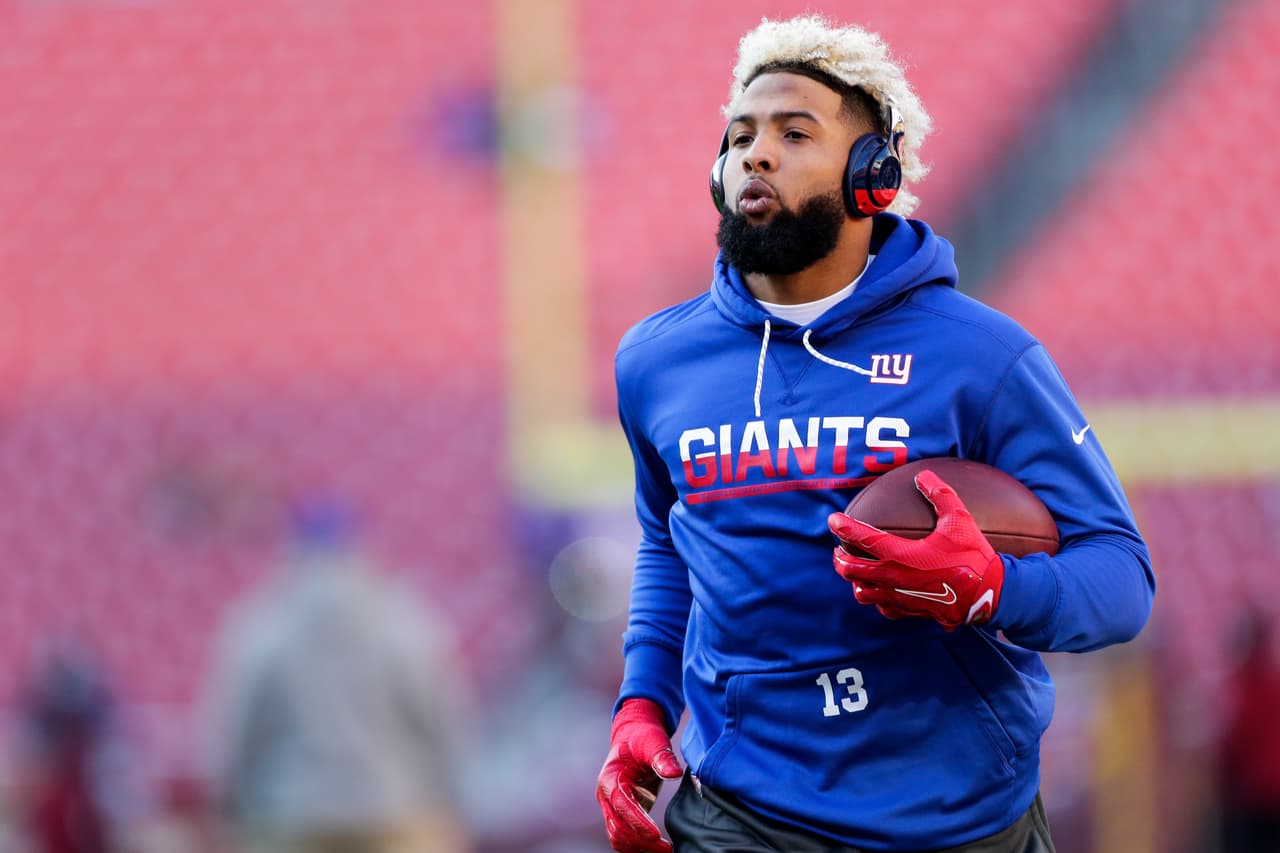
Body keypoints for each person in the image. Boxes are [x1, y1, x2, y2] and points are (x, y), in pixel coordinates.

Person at [595, 15, 1155, 853]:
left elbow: (1121, 579)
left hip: (955, 814)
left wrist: (993, 586)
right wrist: (642, 703)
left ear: (873, 174)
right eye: (740, 136)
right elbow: (668, 543)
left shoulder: (982, 355)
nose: (755, 153)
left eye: (793, 133)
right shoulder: (656, 360)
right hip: (742, 811)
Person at [203, 498, 471, 853]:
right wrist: (452, 796)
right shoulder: (403, 620)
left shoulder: (264, 625)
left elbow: (240, 729)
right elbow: (440, 718)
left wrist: (233, 802)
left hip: (292, 816)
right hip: (394, 813)